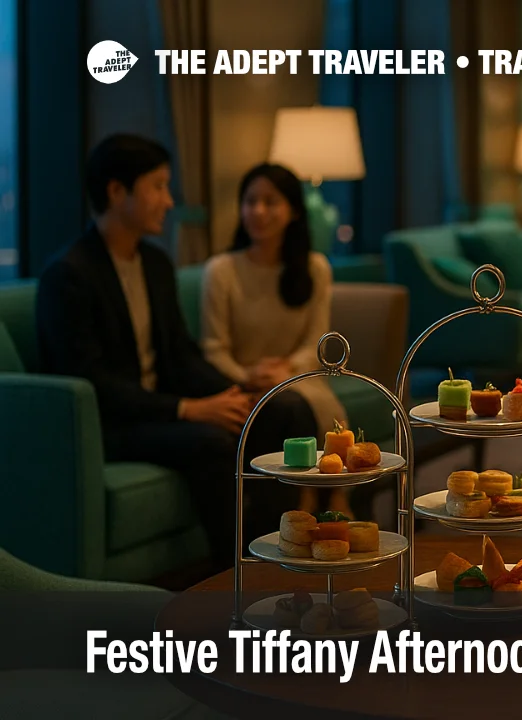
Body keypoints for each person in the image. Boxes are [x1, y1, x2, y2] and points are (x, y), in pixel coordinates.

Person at [36, 135, 317, 571]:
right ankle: (237, 572)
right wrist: (187, 409)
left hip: (162, 408)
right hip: (113, 425)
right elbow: (94, 384)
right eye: (158, 187)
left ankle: (280, 555)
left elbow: (181, 357)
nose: (168, 202)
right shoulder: (69, 276)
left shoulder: (154, 263)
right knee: (212, 440)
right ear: (116, 192)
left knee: (284, 410)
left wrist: (233, 393)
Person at [201, 163, 349, 516]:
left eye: (270, 202)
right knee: (299, 405)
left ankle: (327, 496)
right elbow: (213, 348)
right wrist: (246, 375)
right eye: (250, 201)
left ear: (294, 211)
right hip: (239, 381)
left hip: (295, 377)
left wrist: (286, 371)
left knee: (319, 404)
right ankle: (308, 502)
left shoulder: (314, 268)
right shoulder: (221, 271)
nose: (258, 211)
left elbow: (317, 342)